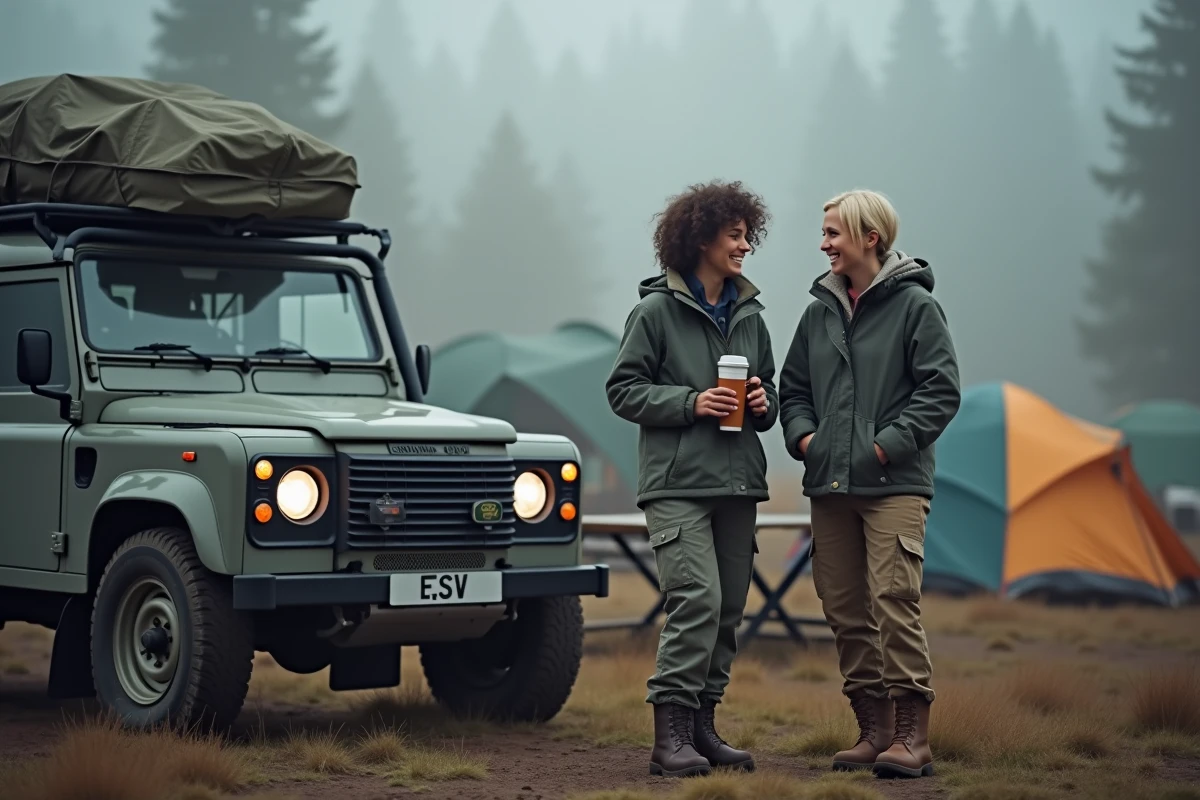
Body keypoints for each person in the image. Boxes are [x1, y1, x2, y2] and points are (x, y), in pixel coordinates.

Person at [778, 189, 960, 779]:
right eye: (823, 233)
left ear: (869, 238)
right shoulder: (818, 313)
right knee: (844, 606)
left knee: (892, 600)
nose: (824, 243)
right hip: (829, 485)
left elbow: (940, 391)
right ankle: (874, 730)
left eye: (833, 233)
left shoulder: (915, 308)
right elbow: (794, 392)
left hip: (895, 484)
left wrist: (885, 445)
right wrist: (807, 441)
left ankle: (913, 738)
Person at [606, 180, 778, 778]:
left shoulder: (752, 314)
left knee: (728, 609)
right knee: (697, 600)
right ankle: (669, 736)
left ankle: (703, 729)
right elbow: (622, 390)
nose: (745, 246)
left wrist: (761, 401)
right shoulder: (654, 311)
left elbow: (772, 398)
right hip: (677, 484)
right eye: (736, 235)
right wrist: (688, 403)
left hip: (737, 483)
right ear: (702, 237)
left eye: (748, 236)